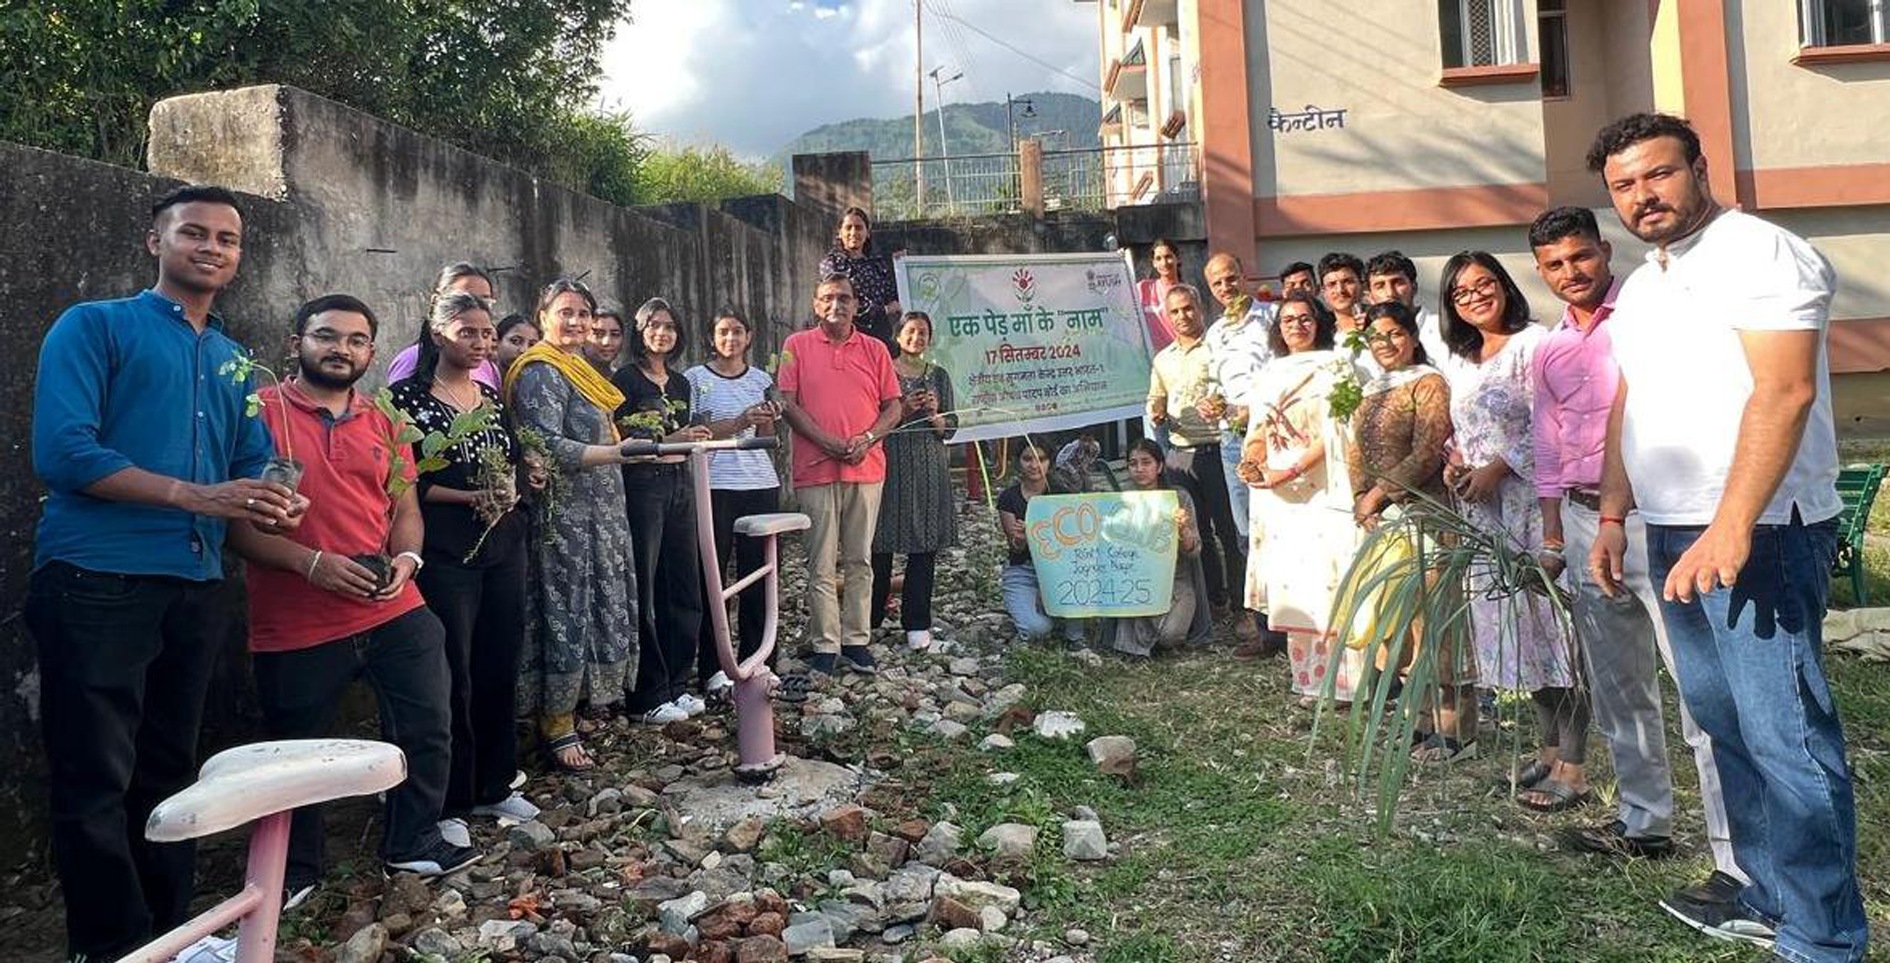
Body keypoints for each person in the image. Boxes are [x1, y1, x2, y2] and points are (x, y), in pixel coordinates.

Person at [1589, 112, 1865, 961]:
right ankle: (1765, 890)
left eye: (1659, 174)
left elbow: (1784, 392)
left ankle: (1825, 935)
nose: (1643, 195)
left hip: (1760, 532)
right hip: (1672, 530)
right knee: (1723, 721)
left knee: (1787, 734)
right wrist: (1613, 512)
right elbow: (1631, 399)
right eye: (1624, 185)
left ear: (1699, 169)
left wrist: (1734, 524)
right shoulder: (1645, 284)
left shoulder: (1762, 253)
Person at [27, 184, 303, 961]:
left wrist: (274, 497)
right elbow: (65, 452)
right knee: (94, 776)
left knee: (172, 772)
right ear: (157, 241)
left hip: (195, 585)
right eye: (194, 232)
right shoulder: (95, 325)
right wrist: (198, 494)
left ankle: (171, 935)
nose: (212, 247)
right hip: (96, 579)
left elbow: (251, 462)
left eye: (228, 238)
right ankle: (109, 944)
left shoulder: (233, 359)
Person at [226, 294, 473, 898]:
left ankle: (413, 840)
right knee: (294, 752)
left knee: (427, 722)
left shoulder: (382, 419)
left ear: (371, 351)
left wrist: (408, 561)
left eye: (357, 340)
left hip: (390, 603)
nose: (342, 349)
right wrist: (312, 564)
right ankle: (295, 872)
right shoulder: (257, 413)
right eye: (327, 336)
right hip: (297, 617)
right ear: (297, 344)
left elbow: (405, 508)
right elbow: (234, 527)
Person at [1526, 205, 1740, 872]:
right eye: (1555, 264)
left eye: (1580, 256)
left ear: (1605, 251)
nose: (1571, 271)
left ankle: (1736, 850)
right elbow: (1548, 445)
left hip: (1660, 518)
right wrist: (1555, 533)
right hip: (1585, 522)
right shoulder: (1551, 347)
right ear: (1540, 271)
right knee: (1620, 685)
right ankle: (1644, 821)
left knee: (1700, 689)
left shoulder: (1646, 316)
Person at [387, 290, 539, 838]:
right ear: (438, 334)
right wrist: (469, 497)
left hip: (502, 547)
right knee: (452, 671)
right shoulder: (404, 401)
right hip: (445, 551)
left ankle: (494, 784)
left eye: (486, 333)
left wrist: (522, 482)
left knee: (499, 663)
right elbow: (405, 482)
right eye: (467, 332)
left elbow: (512, 460)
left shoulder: (490, 398)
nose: (480, 342)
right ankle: (449, 797)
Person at [1436, 252, 1582, 787]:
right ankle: (1548, 749)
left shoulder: (1533, 344)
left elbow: (1552, 423)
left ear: (1504, 285)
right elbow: (1462, 431)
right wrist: (1456, 463)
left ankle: (1574, 761)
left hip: (1531, 507)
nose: (1474, 296)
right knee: (1519, 635)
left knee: (1552, 631)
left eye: (1484, 284)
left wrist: (1497, 469)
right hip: (1484, 518)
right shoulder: (1462, 359)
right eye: (1461, 292)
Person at [506, 278, 640, 771]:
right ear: (542, 316)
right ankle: (554, 720)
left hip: (602, 509)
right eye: (565, 312)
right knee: (563, 606)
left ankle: (577, 706)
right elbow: (540, 440)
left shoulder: (580, 369)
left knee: (594, 603)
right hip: (563, 514)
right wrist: (615, 453)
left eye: (583, 313)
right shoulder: (540, 370)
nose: (576, 322)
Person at [1344, 301, 1475, 757]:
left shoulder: (1429, 383)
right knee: (1399, 620)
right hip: (1387, 520)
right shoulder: (1371, 389)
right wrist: (1361, 497)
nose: (1385, 344)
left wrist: (1378, 494)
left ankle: (1456, 729)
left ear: (1413, 337)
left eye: (1394, 334)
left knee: (1438, 619)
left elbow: (1427, 450)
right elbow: (1356, 450)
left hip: (1429, 514)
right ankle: (1419, 720)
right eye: (1375, 337)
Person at [1238, 295, 1363, 705]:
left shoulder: (1337, 366)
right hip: (1278, 495)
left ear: (1319, 322)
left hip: (1324, 488)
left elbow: (1337, 434)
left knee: (1330, 580)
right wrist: (1252, 462)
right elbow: (1259, 428)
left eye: (1305, 317)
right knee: (1294, 582)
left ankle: (1346, 685)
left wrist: (1291, 471)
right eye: (1288, 319)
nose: (1296, 325)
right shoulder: (1270, 372)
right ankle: (1309, 681)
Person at [778, 274, 903, 676]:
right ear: (816, 305)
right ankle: (825, 645)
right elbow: (787, 403)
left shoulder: (876, 349)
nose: (837, 304)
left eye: (845, 298)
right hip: (815, 470)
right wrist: (827, 442)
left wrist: (867, 438)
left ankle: (856, 640)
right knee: (819, 562)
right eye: (828, 298)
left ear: (856, 304)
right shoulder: (795, 346)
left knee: (859, 559)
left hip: (866, 468)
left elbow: (894, 407)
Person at [612, 298, 711, 724]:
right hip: (644, 487)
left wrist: (690, 439)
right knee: (647, 587)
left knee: (684, 584)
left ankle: (677, 683)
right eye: (653, 325)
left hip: (680, 483)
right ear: (640, 330)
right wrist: (669, 440)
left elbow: (685, 436)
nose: (662, 333)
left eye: (669, 326)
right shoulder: (625, 379)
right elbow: (617, 437)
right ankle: (646, 693)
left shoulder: (681, 382)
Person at [685, 308, 783, 679]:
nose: (731, 338)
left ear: (749, 336)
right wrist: (741, 421)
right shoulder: (694, 378)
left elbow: (768, 438)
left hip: (760, 484)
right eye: (723, 332)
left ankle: (760, 660)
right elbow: (697, 432)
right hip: (714, 485)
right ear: (711, 337)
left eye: (737, 331)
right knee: (712, 578)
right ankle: (715, 667)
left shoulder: (761, 379)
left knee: (760, 575)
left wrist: (766, 417)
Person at [1145, 284, 1243, 617]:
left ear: (1200, 308)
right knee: (1192, 530)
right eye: (1174, 311)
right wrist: (1156, 409)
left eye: (1188, 308)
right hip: (1179, 453)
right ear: (1167, 315)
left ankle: (1242, 607)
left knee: (1230, 530)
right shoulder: (1162, 359)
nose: (1182, 316)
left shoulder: (1218, 349)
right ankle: (1213, 601)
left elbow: (1237, 391)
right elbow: (1156, 397)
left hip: (1219, 449)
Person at [870, 311, 959, 651]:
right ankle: (870, 618)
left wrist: (935, 414)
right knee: (880, 541)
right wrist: (904, 410)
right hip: (889, 463)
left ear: (929, 339)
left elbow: (950, 429)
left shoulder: (939, 375)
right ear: (898, 335)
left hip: (928, 466)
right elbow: (872, 422)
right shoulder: (883, 371)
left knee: (924, 544)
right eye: (910, 331)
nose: (916, 338)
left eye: (923, 332)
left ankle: (917, 622)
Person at [1199, 252, 1275, 645]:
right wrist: (1210, 403)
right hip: (1232, 439)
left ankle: (1288, 617)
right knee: (1245, 531)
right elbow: (1214, 384)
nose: (1226, 287)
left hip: (1273, 433)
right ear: (1210, 289)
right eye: (1217, 283)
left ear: (1243, 276)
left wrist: (1255, 408)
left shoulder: (1271, 318)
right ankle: (1260, 621)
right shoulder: (1214, 333)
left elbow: (1283, 375)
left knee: (1279, 523)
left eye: (1231, 278)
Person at [1103, 439, 1212, 656]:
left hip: (1176, 582)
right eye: (1133, 464)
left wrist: (1183, 529)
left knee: (1170, 636)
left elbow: (1194, 551)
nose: (1139, 469)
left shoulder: (1178, 498)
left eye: (1146, 462)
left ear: (1160, 466)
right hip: (1135, 584)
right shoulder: (1121, 501)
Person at [996, 440, 1085, 644]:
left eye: (1041, 459)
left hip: (1059, 570)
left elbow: (1075, 542)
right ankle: (1035, 608)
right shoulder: (1008, 498)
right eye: (1027, 459)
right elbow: (1015, 547)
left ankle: (1070, 632)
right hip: (1023, 570)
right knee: (1037, 630)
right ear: (1018, 462)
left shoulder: (1062, 495)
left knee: (1075, 629)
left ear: (1049, 462)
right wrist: (1021, 539)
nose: (1034, 465)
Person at [385, 262, 503, 388]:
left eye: (485, 300)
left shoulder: (485, 365)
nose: (475, 306)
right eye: (463, 298)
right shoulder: (411, 360)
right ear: (437, 301)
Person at [817, 206, 901, 348]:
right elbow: (840, 299)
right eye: (848, 228)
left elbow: (892, 297)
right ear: (840, 233)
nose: (853, 233)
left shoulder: (878, 264)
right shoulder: (831, 264)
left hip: (879, 336)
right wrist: (883, 310)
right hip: (846, 335)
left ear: (867, 233)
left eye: (859, 228)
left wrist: (902, 266)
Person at [1365, 250, 1449, 364]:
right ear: (1369, 297)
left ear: (1414, 287)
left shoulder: (1444, 328)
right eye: (1380, 286)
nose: (1390, 293)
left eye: (1397, 283)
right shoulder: (1362, 339)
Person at [1136, 238, 1185, 352]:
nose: (1164, 263)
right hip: (1150, 356)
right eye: (1158, 258)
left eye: (1168, 257)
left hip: (1179, 353)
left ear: (1177, 258)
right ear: (1154, 263)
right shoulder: (1143, 288)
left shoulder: (1187, 292)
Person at [1317, 252, 1367, 332]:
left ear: (1363, 286)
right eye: (1332, 284)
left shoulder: (1380, 324)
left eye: (1347, 282)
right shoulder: (1319, 333)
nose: (1340, 290)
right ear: (1323, 292)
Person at [587, 306, 626, 373]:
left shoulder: (620, 377)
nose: (607, 342)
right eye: (599, 334)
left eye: (615, 334)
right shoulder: (570, 375)